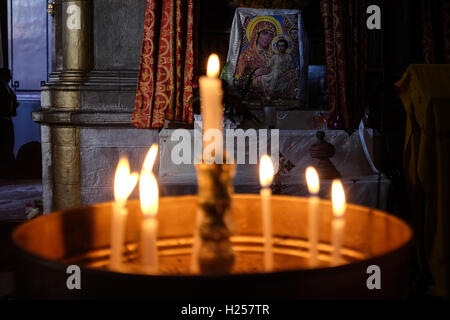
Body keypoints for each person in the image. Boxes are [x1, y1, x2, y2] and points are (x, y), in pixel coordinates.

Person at [234, 17, 282, 98]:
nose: (268, 38)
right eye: (264, 33)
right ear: (256, 34)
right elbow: (238, 80)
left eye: (271, 35)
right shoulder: (245, 56)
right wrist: (254, 73)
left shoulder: (276, 54)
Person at [0, 68, 19, 177]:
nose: (11, 78)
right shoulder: (1, 87)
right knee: (4, 145)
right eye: (9, 75)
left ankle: (8, 170)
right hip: (2, 120)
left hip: (7, 119)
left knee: (9, 143)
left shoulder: (7, 87)